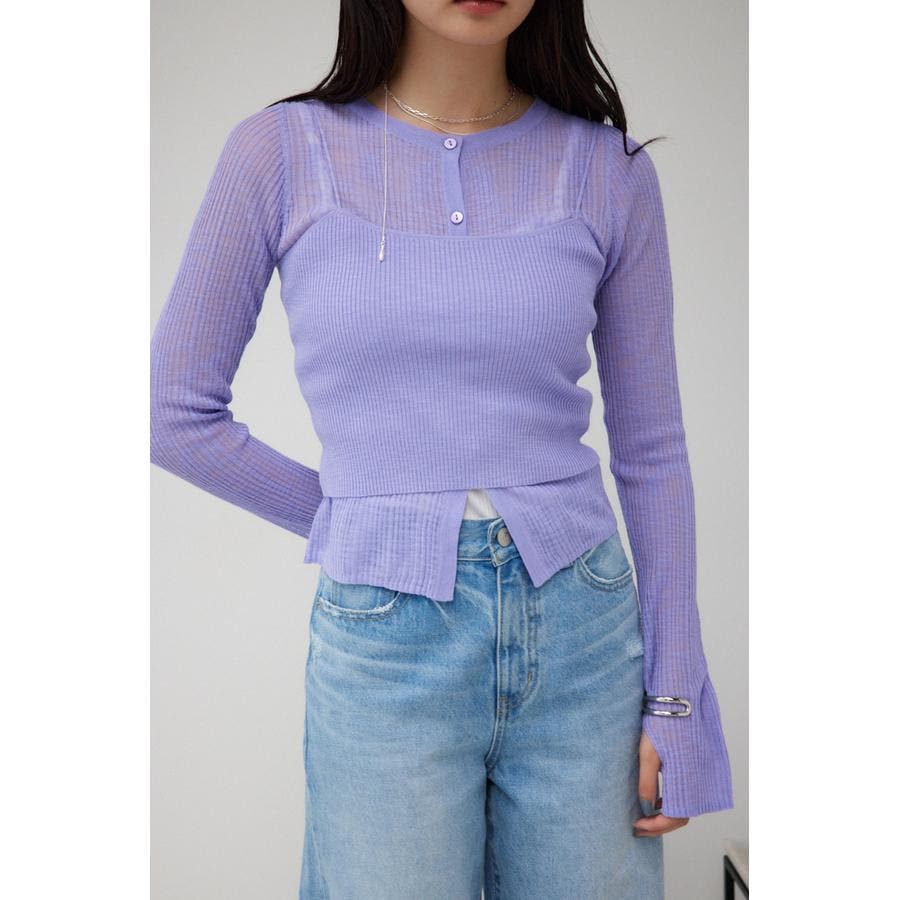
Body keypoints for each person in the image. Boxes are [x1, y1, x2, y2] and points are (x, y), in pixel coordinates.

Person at [150, 1, 734, 896]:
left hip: (584, 629)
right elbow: (172, 410)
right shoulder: (282, 152)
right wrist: (359, 522)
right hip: (387, 641)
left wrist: (678, 696)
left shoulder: (607, 170)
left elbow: (653, 450)